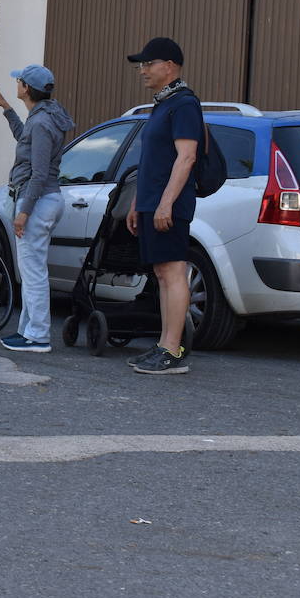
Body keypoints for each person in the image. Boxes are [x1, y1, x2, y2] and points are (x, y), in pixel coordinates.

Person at [124, 37, 202, 375]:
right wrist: (138, 203)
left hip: (170, 206)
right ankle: (163, 346)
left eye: (147, 64)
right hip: (153, 203)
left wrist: (165, 204)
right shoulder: (164, 104)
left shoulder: (184, 104)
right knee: (161, 273)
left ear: (168, 67)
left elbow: (186, 158)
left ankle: (172, 350)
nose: (142, 70)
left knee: (172, 272)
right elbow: (153, 161)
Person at [0, 64, 74, 353]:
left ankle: (38, 335)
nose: (17, 84)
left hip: (37, 201)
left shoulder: (41, 122)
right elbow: (26, 141)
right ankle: (28, 332)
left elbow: (38, 173)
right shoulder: (45, 116)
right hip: (43, 200)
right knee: (31, 271)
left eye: (19, 81)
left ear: (26, 88)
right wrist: (7, 109)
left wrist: (24, 211)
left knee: (33, 272)